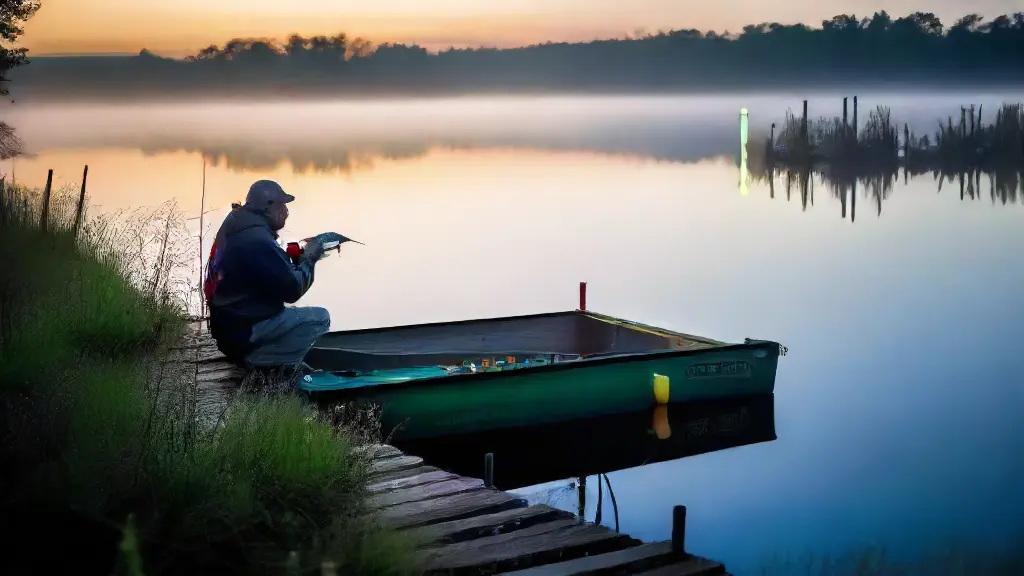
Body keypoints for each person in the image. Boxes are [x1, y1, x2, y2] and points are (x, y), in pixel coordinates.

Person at [204, 179, 330, 380]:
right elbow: (293, 290)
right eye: (282, 206)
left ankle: (266, 356)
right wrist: (309, 259)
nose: (286, 212)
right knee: (320, 318)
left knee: (290, 315)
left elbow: (259, 271)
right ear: (268, 206)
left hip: (228, 326)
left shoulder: (237, 223)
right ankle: (271, 366)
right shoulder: (256, 240)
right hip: (242, 333)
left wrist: (291, 259)